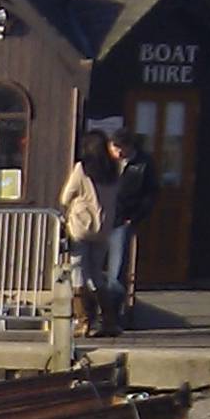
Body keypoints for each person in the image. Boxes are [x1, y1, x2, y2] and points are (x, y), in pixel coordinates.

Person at [60, 131, 121, 336]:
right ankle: (109, 321)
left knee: (78, 272)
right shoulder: (114, 170)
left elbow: (66, 196)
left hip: (81, 227)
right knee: (97, 274)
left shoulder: (81, 169)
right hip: (103, 229)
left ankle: (83, 321)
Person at [105, 129, 155, 331]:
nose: (116, 152)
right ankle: (94, 312)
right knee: (91, 268)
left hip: (122, 220)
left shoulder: (143, 163)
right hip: (100, 218)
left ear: (128, 147)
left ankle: (113, 316)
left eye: (119, 148)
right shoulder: (105, 162)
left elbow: (150, 194)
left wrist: (134, 218)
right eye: (113, 147)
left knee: (117, 271)